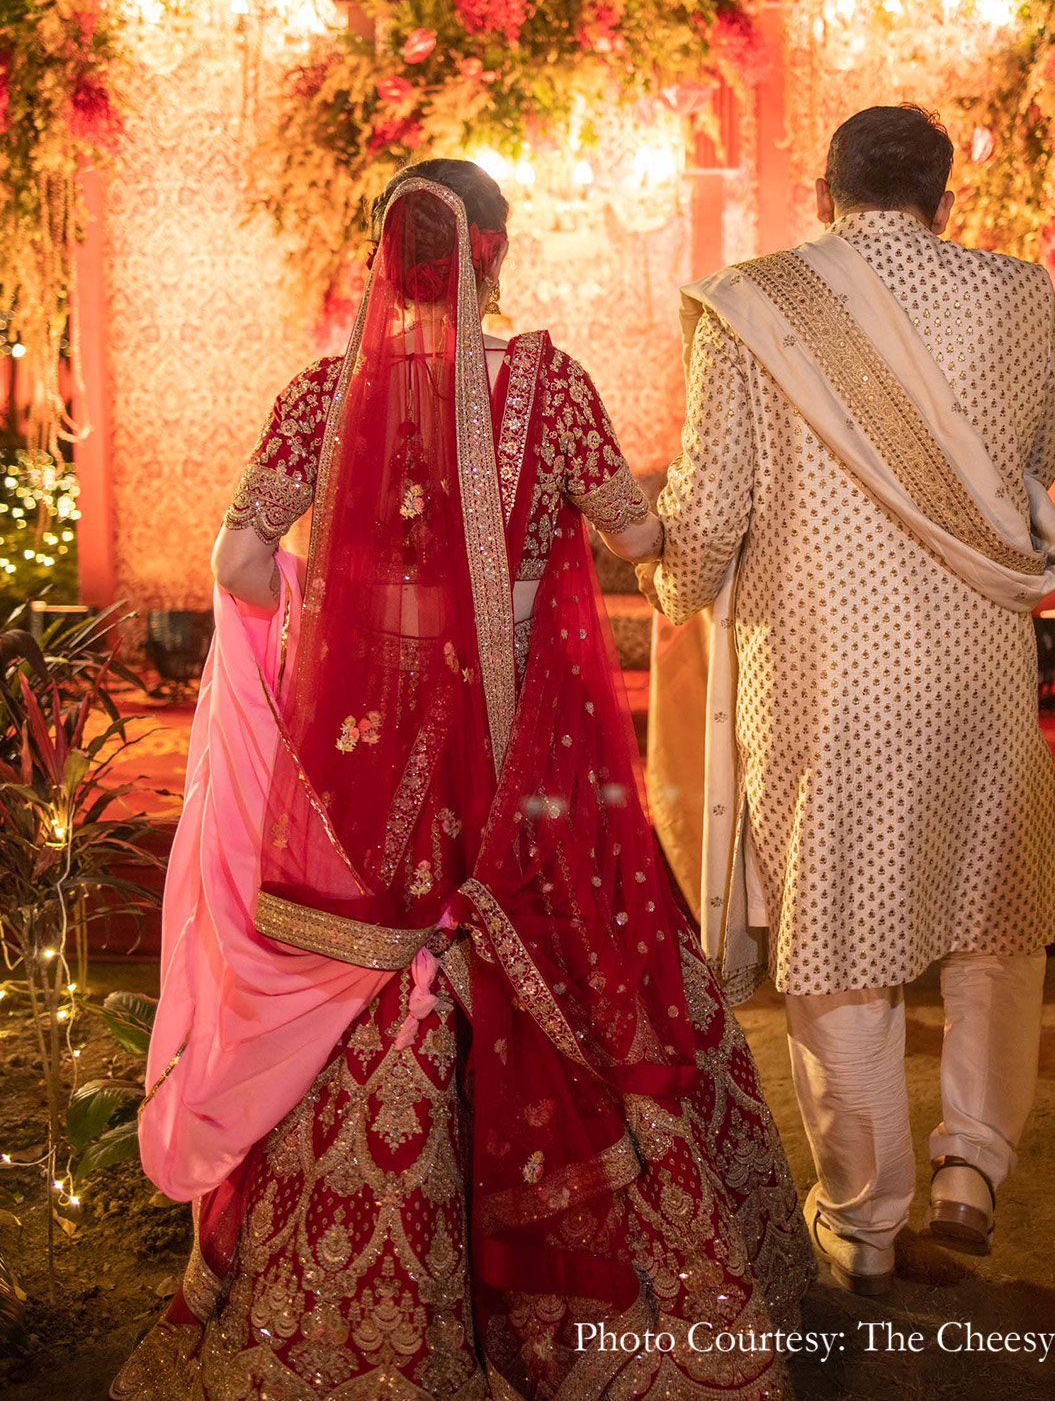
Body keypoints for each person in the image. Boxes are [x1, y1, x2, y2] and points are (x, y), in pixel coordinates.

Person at [111, 159, 813, 1401]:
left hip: (373, 767)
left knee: (383, 956)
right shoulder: (551, 386)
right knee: (579, 957)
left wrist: (339, 646)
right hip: (529, 773)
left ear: (385, 263)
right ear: (497, 250)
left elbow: (237, 555)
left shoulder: (326, 398)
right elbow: (638, 537)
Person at [641, 105, 1055, 1299]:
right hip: (981, 668)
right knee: (994, 918)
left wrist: (665, 572)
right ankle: (971, 1168)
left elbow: (712, 509)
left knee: (839, 939)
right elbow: (1028, 462)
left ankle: (864, 1219)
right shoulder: (1015, 293)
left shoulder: (754, 303)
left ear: (825, 190)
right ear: (942, 194)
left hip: (820, 682)